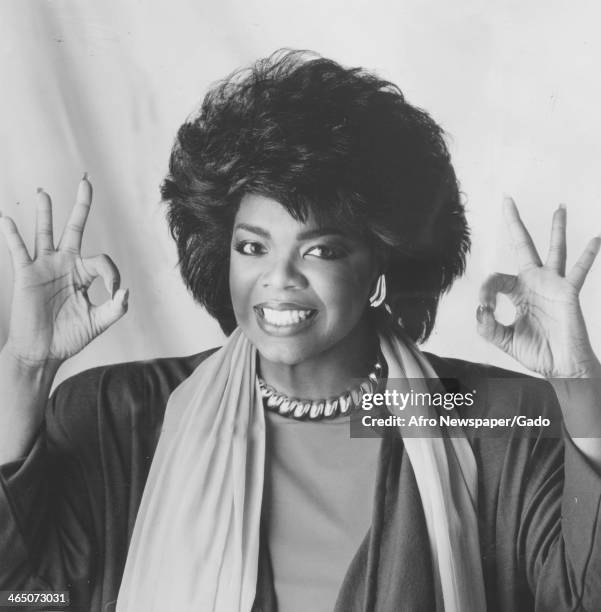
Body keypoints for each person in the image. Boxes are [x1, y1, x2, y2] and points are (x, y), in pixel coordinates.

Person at [0, 50, 600, 612]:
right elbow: (31, 599)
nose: (279, 278)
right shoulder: (123, 413)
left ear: (379, 265)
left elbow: (584, 595)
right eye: (253, 246)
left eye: (323, 250)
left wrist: (578, 384)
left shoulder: (484, 414)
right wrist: (25, 367)